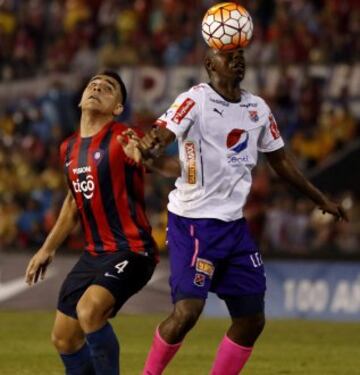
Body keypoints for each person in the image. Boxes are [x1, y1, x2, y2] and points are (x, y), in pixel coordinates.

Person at [125, 48, 348, 375]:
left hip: (233, 227)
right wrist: (149, 145)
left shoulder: (257, 108)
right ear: (208, 64)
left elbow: (282, 162)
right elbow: (162, 132)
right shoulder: (195, 100)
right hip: (193, 222)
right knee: (188, 312)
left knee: (251, 319)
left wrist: (320, 199)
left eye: (240, 54)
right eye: (227, 55)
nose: (237, 59)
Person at [25, 70, 178, 375]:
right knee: (64, 338)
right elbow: (73, 203)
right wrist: (47, 249)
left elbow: (172, 168)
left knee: (89, 311)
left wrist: (147, 156)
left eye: (107, 88)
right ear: (81, 99)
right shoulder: (67, 148)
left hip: (133, 250)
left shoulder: (124, 137)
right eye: (93, 84)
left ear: (117, 108)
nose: (96, 87)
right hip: (94, 254)